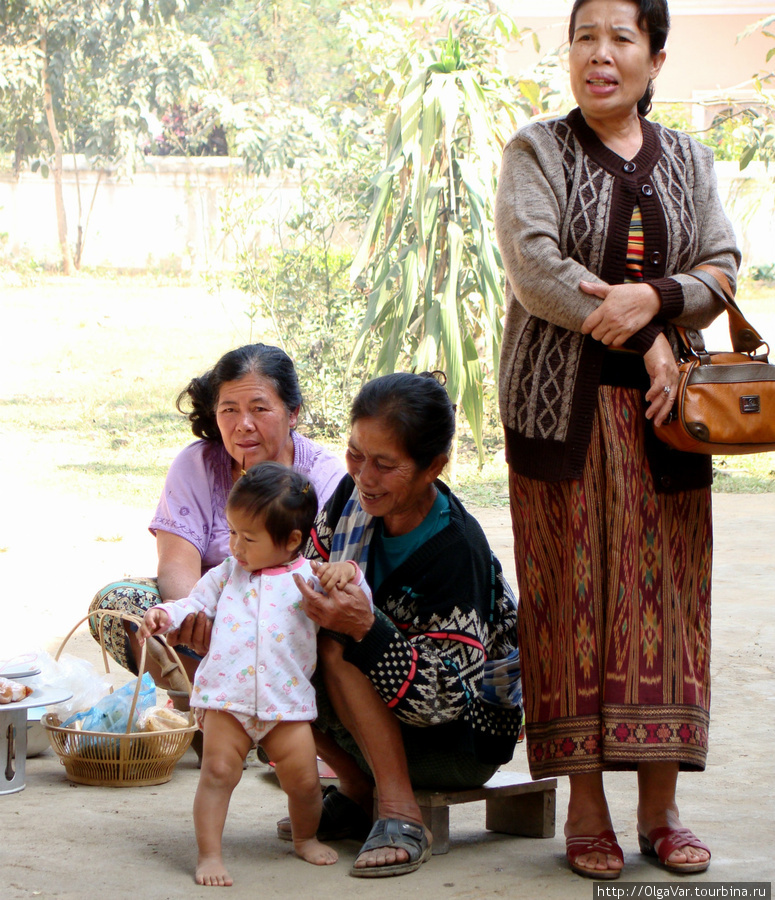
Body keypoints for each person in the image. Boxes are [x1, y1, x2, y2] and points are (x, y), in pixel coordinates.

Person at [494, 0, 740, 881]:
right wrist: (642, 334)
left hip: (669, 426)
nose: (599, 56)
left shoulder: (691, 159)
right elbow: (535, 269)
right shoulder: (537, 152)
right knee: (572, 608)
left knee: (666, 607)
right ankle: (586, 810)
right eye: (584, 38)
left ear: (655, 58)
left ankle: (663, 810)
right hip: (559, 420)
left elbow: (721, 265)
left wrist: (663, 299)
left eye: (620, 39)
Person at [264, 372, 522, 878]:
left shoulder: (454, 550)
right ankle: (359, 791)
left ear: (433, 468)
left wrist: (369, 629)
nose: (364, 476)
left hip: (457, 742)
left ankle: (400, 811)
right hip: (372, 720)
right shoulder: (347, 499)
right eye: (356, 454)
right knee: (250, 650)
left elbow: (449, 701)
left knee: (341, 639)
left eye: (386, 465)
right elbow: (295, 578)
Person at [139, 462, 370, 886]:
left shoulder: (310, 579)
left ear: (292, 540)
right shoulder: (226, 574)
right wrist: (163, 615)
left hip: (285, 704)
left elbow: (360, 599)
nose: (235, 546)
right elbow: (192, 604)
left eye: (248, 538)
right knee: (218, 775)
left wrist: (350, 572)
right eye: (231, 533)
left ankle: (305, 837)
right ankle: (209, 855)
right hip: (227, 699)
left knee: (302, 782)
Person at [87, 343, 345, 695]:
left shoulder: (325, 477)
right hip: (207, 619)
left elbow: (318, 579)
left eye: (259, 409)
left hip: (285, 628)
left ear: (293, 412)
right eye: (230, 410)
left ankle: (282, 720)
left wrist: (244, 627)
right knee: (119, 606)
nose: (243, 425)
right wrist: (200, 621)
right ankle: (205, 705)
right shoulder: (196, 466)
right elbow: (177, 562)